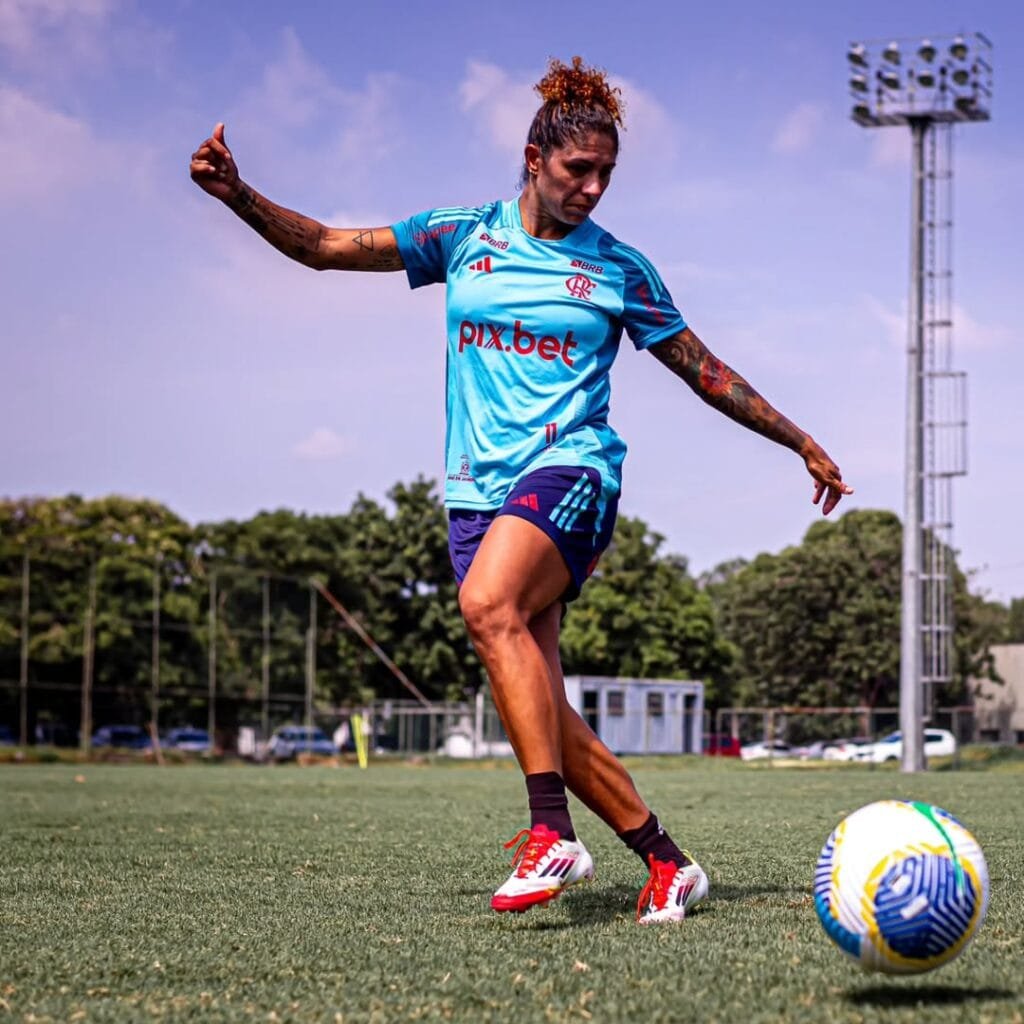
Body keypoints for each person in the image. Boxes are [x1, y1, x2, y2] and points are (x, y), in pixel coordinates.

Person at [190, 56, 852, 924]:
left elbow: (705, 371)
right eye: (581, 169)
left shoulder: (620, 268)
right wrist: (239, 194)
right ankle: (666, 861)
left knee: (486, 604)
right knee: (540, 703)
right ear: (533, 157)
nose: (595, 187)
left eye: (607, 173)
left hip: (574, 472)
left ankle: (550, 833)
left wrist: (798, 438)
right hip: (477, 499)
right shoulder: (461, 233)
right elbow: (322, 248)